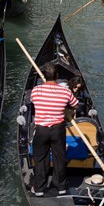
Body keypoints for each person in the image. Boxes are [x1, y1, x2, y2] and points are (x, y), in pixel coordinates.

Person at [30, 63, 78, 197]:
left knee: (40, 158)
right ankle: (61, 186)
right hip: (58, 130)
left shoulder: (36, 90)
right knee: (60, 157)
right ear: (57, 76)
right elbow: (75, 105)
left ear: (44, 76)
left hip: (41, 130)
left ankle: (39, 188)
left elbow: (33, 101)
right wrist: (65, 107)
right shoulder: (66, 92)